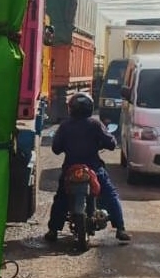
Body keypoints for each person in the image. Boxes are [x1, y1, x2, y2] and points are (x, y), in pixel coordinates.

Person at [44, 92, 131, 243]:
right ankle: (120, 229)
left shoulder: (65, 126)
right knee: (110, 194)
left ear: (71, 108)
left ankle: (53, 230)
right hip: (94, 169)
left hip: (70, 170)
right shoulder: (95, 124)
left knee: (60, 198)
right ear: (90, 108)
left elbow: (56, 149)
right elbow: (111, 143)